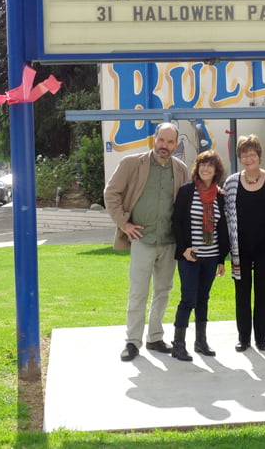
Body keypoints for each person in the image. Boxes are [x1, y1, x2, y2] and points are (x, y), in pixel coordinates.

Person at [104, 122, 189, 361]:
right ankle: (132, 341)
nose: (165, 146)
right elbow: (111, 193)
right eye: (161, 140)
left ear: (176, 144)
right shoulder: (132, 164)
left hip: (169, 241)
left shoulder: (181, 169)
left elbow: (188, 199)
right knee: (138, 292)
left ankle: (155, 337)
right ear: (154, 138)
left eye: (170, 142)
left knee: (163, 291)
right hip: (141, 239)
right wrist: (124, 223)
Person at [171, 150, 229, 361]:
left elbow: (222, 228)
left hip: (211, 257)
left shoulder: (219, 196)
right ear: (197, 168)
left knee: (203, 299)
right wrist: (184, 248)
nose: (206, 168)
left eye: (210, 165)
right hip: (190, 257)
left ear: (216, 170)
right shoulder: (187, 191)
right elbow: (177, 222)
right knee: (188, 299)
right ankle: (178, 344)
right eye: (202, 164)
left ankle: (201, 342)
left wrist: (221, 259)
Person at [223, 135, 265, 352]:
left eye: (252, 154)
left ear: (259, 156)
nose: (248, 159)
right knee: (242, 294)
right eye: (244, 155)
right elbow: (225, 213)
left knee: (263, 294)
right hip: (240, 248)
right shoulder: (231, 182)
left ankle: (262, 338)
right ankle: (243, 338)